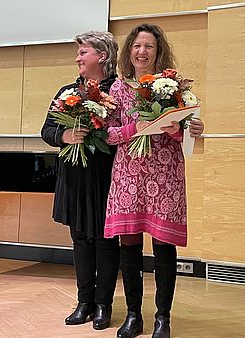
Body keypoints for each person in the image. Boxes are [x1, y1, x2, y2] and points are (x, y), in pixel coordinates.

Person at [104, 23, 204, 338]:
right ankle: (134, 316)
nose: (142, 51)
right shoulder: (117, 89)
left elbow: (185, 133)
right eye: (137, 46)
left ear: (158, 51)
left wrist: (189, 129)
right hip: (128, 174)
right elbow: (108, 134)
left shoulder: (173, 87)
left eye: (148, 46)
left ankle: (163, 318)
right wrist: (138, 128)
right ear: (128, 51)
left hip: (165, 174)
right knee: (129, 244)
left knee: (163, 245)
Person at [41, 31, 120, 330]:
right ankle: (84, 301)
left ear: (102, 55)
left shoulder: (119, 91)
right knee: (80, 240)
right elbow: (46, 131)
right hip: (74, 176)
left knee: (104, 241)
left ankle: (104, 305)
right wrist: (64, 135)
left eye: (83, 52)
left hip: (106, 177)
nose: (77, 58)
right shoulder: (66, 92)